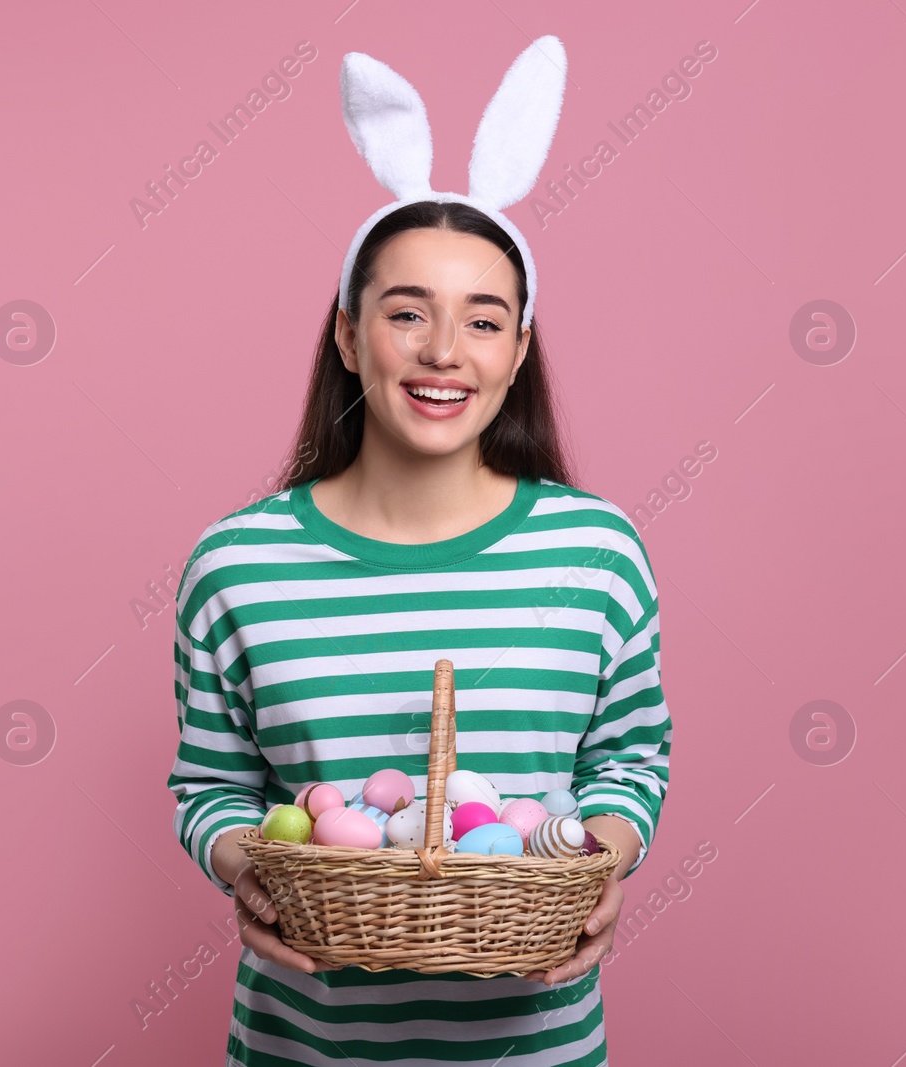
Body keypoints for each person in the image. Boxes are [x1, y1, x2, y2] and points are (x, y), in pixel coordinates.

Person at [165, 194, 672, 1065]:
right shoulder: (239, 563)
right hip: (304, 1044)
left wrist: (598, 866)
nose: (443, 350)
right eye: (407, 312)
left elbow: (630, 758)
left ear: (518, 352)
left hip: (537, 1045)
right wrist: (248, 867)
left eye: (484, 319)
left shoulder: (595, 552)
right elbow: (211, 782)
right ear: (349, 334)